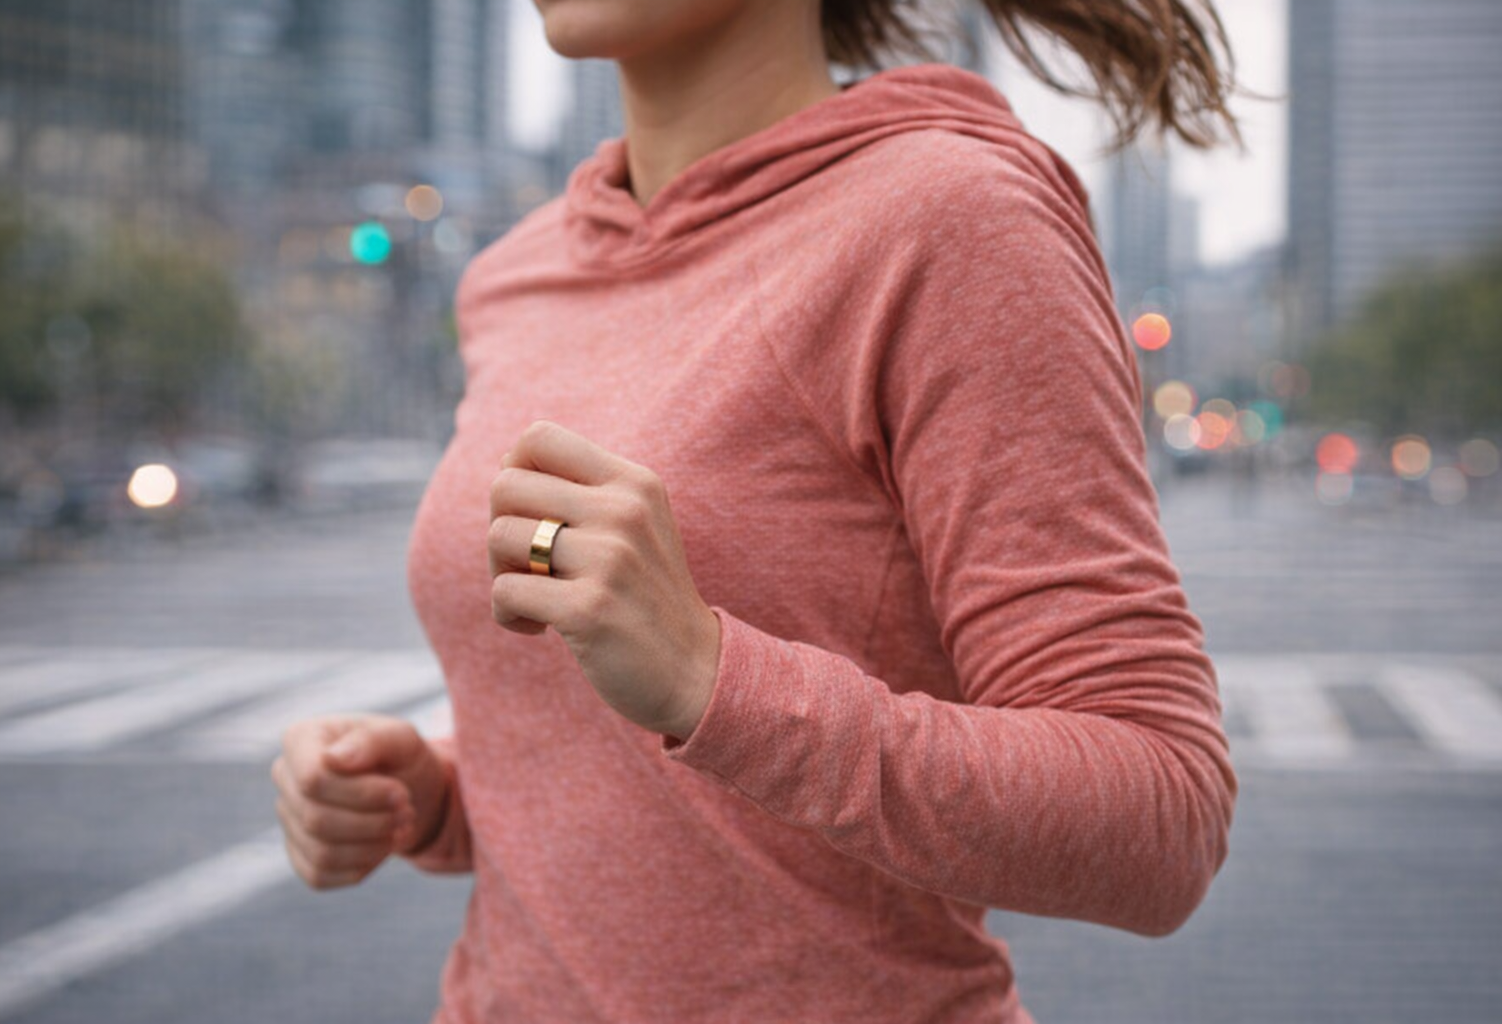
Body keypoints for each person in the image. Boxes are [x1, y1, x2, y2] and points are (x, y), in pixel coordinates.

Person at [270, 1, 1246, 1020]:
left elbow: (1163, 822)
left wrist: (710, 678)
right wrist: (438, 797)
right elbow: (673, 815)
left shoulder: (950, 217)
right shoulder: (511, 278)